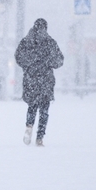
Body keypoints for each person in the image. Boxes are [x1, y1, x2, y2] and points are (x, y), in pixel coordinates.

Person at [14, 18, 64, 147]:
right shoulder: (50, 42)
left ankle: (29, 127)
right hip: (46, 79)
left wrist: (29, 65)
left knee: (32, 105)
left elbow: (18, 57)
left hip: (31, 78)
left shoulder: (26, 41)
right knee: (44, 109)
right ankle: (40, 137)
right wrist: (47, 63)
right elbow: (59, 60)